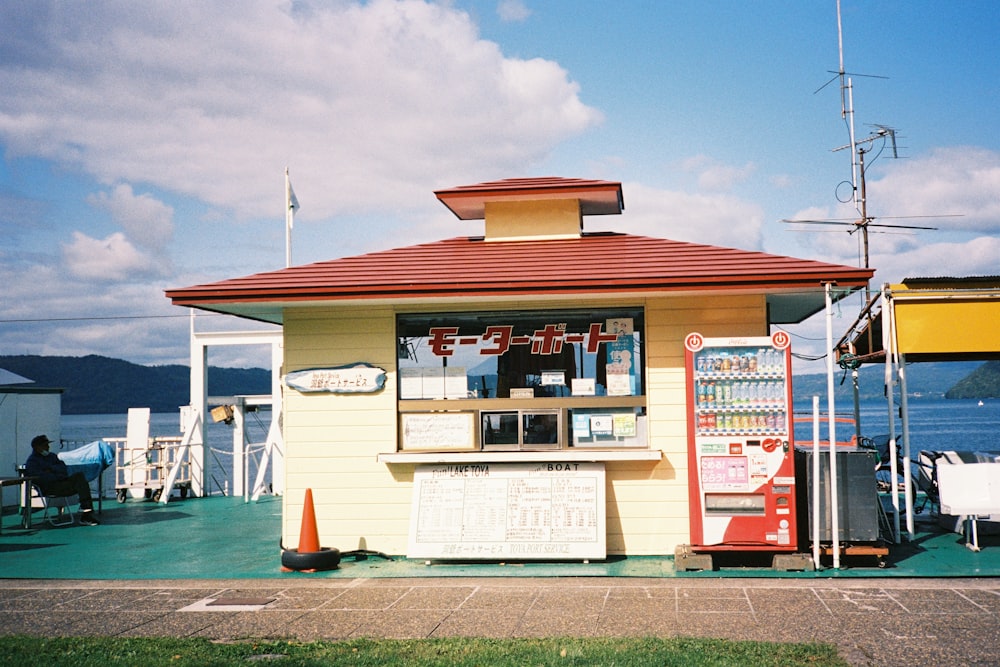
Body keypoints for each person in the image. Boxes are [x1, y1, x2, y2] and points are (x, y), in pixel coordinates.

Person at [24, 435, 100, 526]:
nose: (48, 447)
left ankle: (86, 510)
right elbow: (41, 478)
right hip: (49, 488)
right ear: (37, 447)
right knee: (79, 482)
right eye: (45, 445)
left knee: (79, 477)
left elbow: (63, 468)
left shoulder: (52, 456)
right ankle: (86, 514)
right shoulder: (32, 462)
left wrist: (51, 469)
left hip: (60, 484)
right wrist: (55, 473)